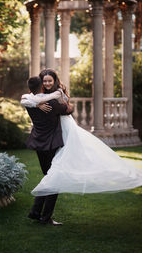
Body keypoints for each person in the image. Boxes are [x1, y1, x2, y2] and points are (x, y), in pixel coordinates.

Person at [21, 69, 142, 197]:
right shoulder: (37, 100)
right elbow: (26, 99)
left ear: (55, 80)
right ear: (40, 83)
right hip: (50, 136)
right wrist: (38, 104)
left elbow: (67, 109)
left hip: (56, 133)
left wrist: (39, 102)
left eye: (49, 80)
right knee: (52, 175)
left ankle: (40, 211)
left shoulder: (55, 94)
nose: (47, 83)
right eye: (44, 81)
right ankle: (41, 211)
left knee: (54, 173)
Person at [23, 76, 73, 225]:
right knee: (54, 179)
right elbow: (69, 110)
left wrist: (38, 104)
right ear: (42, 86)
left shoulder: (30, 103)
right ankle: (45, 217)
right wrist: (63, 96)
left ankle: (36, 212)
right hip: (51, 144)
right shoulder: (52, 103)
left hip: (38, 144)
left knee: (48, 176)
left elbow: (25, 98)